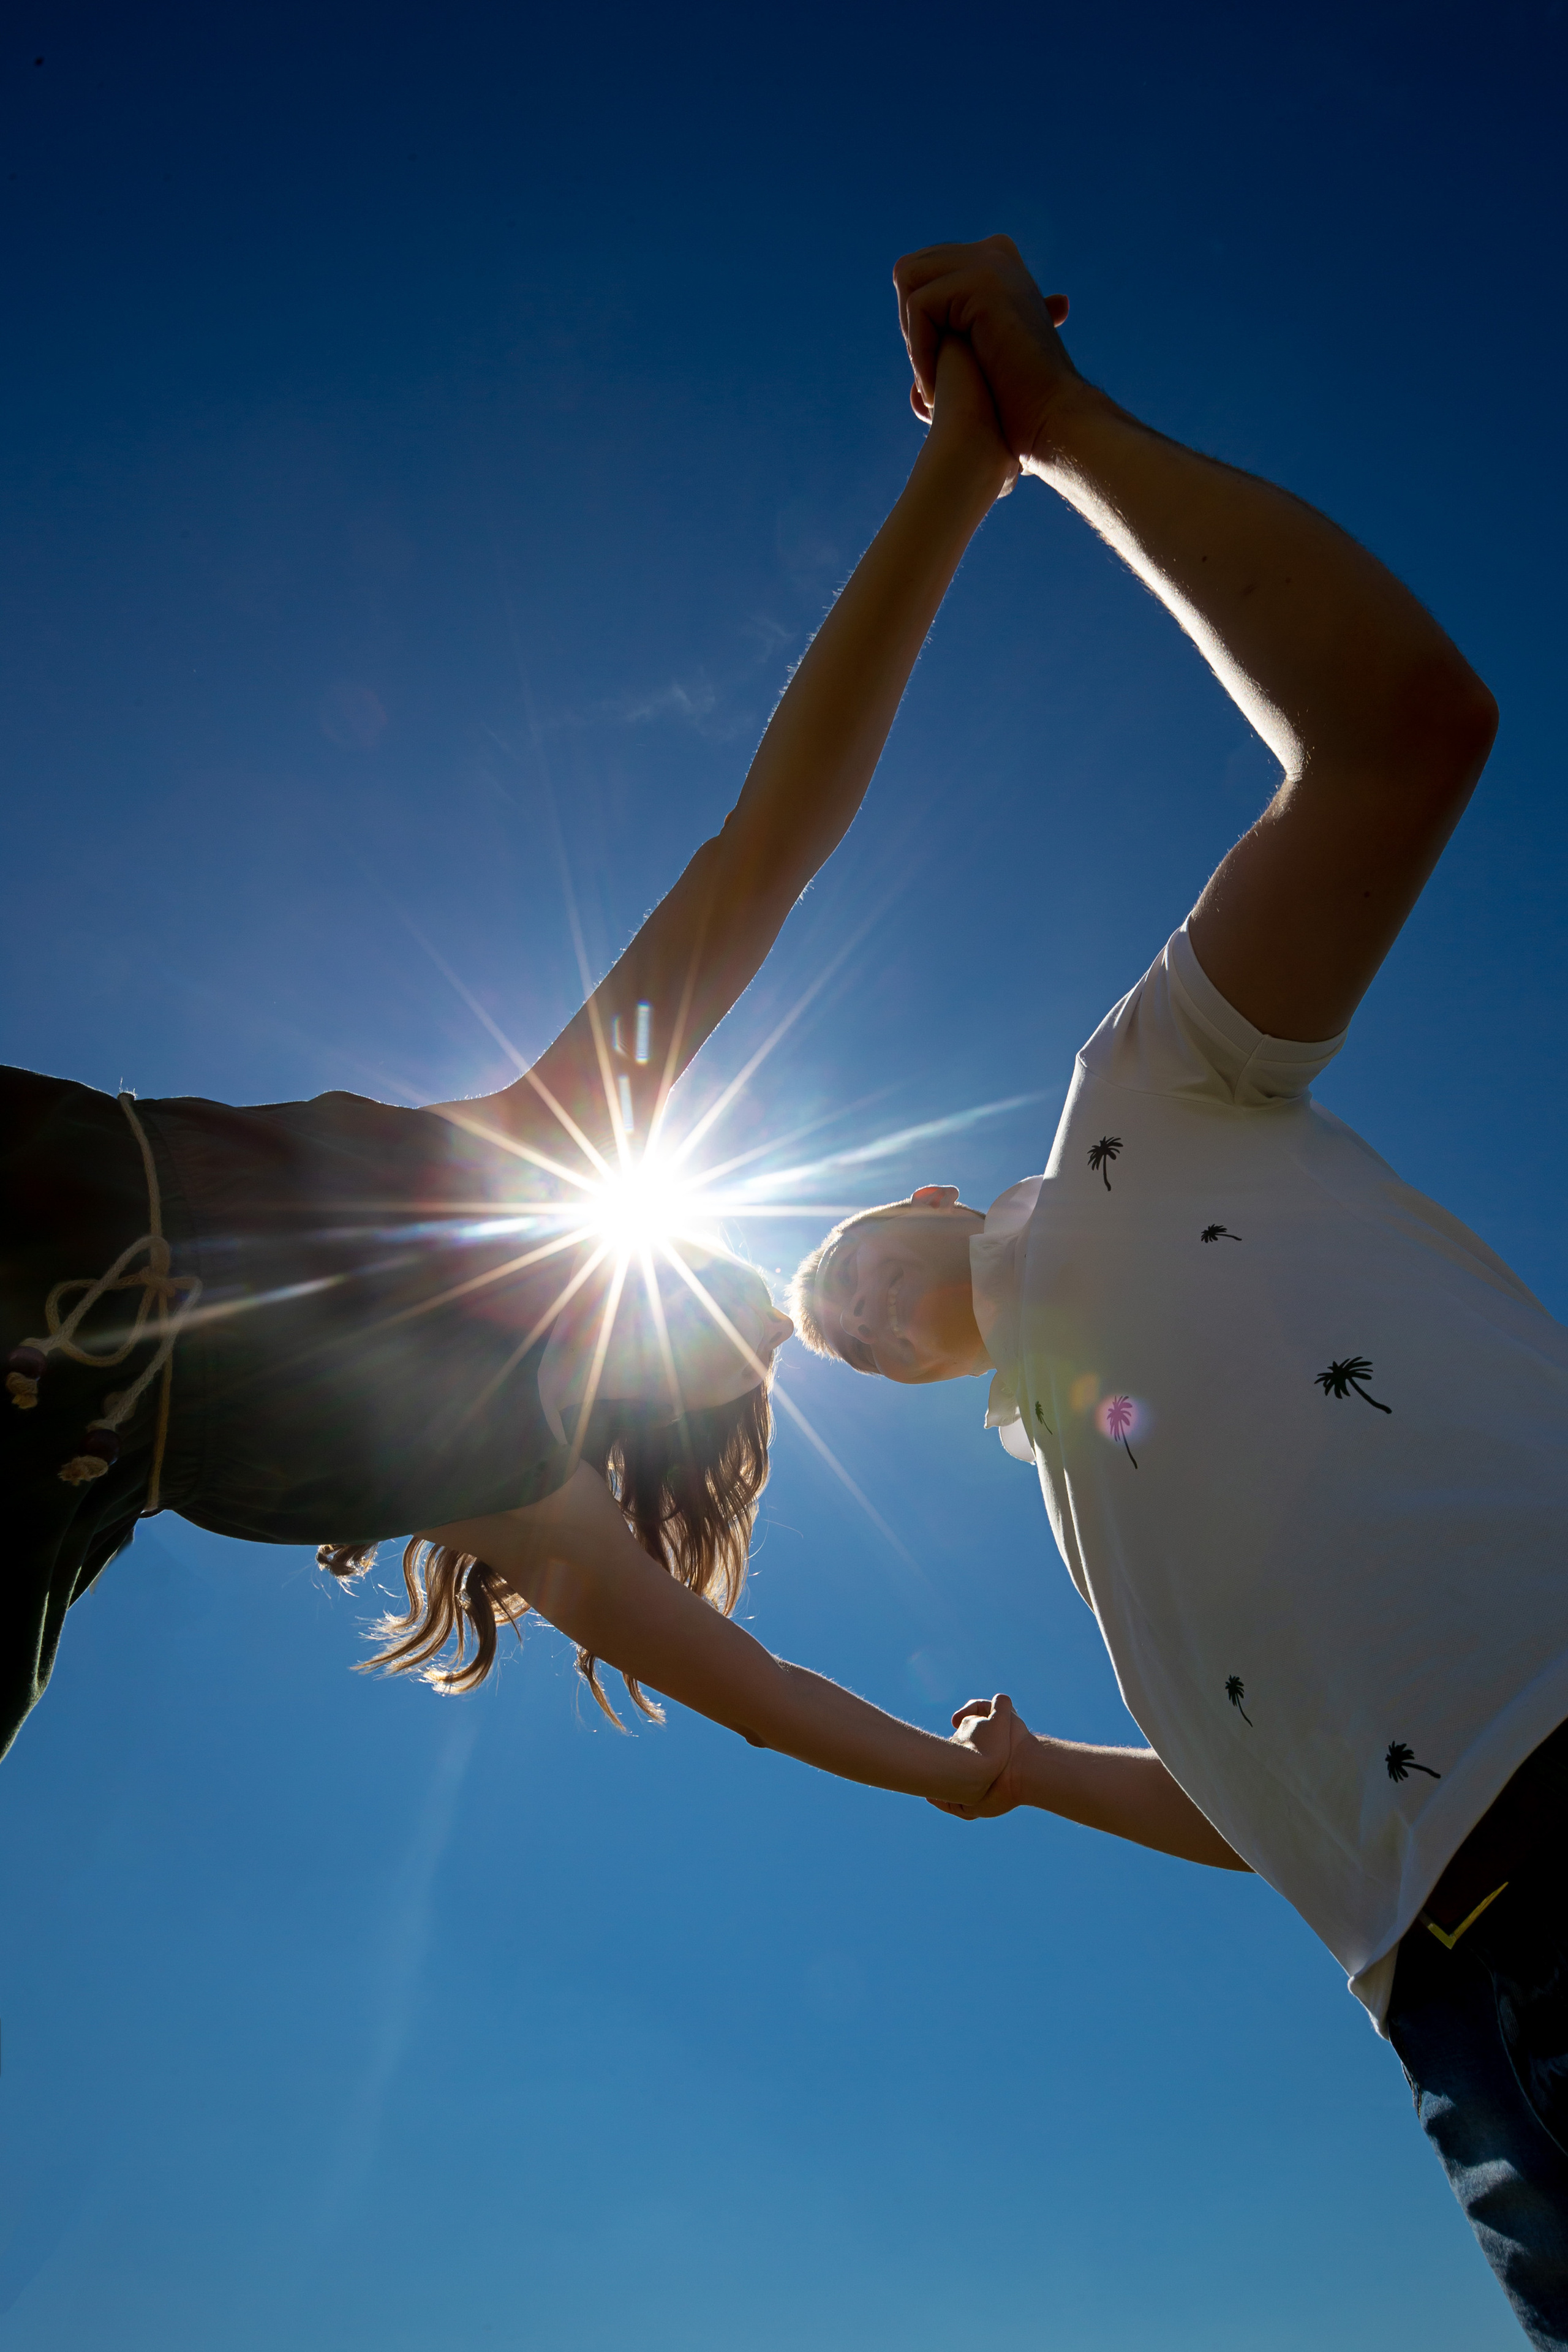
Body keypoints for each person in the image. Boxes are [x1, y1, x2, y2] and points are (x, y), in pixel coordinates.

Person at [790, 237, 1568, 2342]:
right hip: (1456, 2035)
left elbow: (1402, 735)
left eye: (836, 1257)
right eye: (829, 1340)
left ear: (936, 1187)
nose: (836, 1312)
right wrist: (1036, 1768)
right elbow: (1266, 1807)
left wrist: (1057, 425)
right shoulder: (1075, 1485)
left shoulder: (1137, 1095)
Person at [0, 324, 1016, 1830]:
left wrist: (962, 1776)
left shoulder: (523, 1495)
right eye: (772, 1298)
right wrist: (962, 473)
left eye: (816, 1353)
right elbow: (758, 867)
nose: (788, 1316)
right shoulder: (527, 1168)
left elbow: (763, 1696)